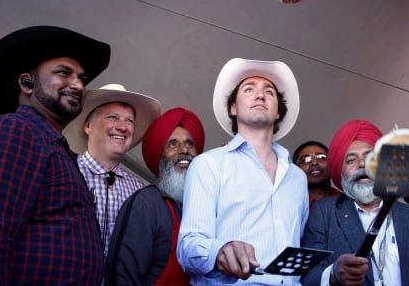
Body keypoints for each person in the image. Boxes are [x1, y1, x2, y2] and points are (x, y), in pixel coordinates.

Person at [0, 26, 110, 284]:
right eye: (64, 73)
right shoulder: (13, 130)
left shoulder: (57, 149)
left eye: (82, 78)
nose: (78, 85)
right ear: (27, 82)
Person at [179, 58, 309, 285]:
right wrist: (219, 250)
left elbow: (298, 242)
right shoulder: (208, 165)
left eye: (269, 92)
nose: (260, 95)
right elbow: (188, 245)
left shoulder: (297, 177)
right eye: (249, 89)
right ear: (233, 108)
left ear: (278, 111)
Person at [301, 120, 409, 286]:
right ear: (341, 172)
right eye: (351, 160)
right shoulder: (324, 213)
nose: (362, 164)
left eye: (369, 157)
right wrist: (333, 274)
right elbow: (307, 276)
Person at [106, 107, 205, 285]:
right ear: (160, 157)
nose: (184, 150)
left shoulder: (205, 207)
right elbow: (123, 275)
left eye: (190, 144)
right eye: (172, 144)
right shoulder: (146, 203)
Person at [63, 83, 161, 254]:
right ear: (88, 126)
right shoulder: (64, 172)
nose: (123, 127)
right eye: (113, 117)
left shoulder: (138, 190)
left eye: (129, 120)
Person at [293, 140, 341, 208]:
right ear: (295, 169)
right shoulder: (289, 204)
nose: (314, 163)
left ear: (332, 163)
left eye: (322, 157)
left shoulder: (345, 201)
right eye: (306, 159)